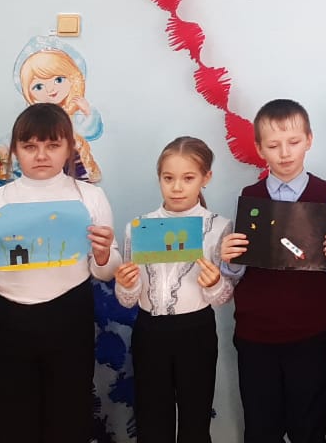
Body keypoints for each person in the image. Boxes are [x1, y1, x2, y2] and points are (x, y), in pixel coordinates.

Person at [0, 103, 120, 443]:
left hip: (70, 314)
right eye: (30, 146)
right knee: (13, 416)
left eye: (52, 145)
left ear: (69, 148)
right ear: (15, 150)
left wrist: (104, 255)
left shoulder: (91, 197)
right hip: (9, 318)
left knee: (70, 414)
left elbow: (106, 272)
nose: (41, 155)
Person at [219, 99, 326, 443]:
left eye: (294, 142)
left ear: (309, 140)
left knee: (309, 427)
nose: (285, 153)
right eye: (273, 145)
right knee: (261, 428)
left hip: (310, 332)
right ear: (260, 149)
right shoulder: (249, 197)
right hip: (256, 335)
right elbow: (236, 270)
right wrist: (229, 259)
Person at [115, 136, 233, 443]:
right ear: (159, 179)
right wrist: (127, 284)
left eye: (188, 178)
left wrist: (214, 283)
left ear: (206, 178)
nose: (177, 187)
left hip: (196, 331)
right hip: (149, 331)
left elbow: (223, 297)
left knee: (195, 421)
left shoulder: (218, 227)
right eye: (168, 178)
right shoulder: (138, 227)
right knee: (152, 420)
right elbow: (127, 299)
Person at [14, 35, 103, 182]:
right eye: (39, 86)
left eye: (58, 80)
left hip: (76, 169)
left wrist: (88, 112)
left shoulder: (74, 114)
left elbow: (90, 131)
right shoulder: (33, 120)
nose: (50, 89)